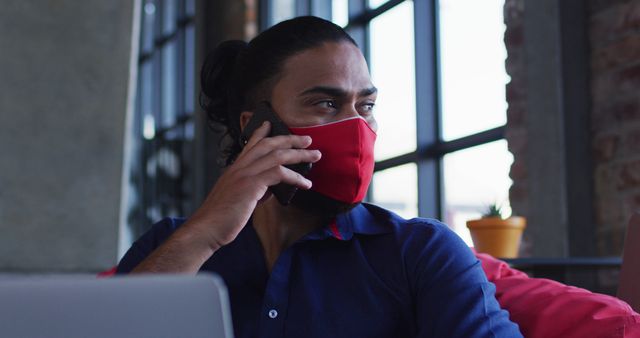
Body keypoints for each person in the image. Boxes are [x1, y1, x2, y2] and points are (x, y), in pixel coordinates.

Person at [117, 16, 522, 338]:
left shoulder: (421, 253)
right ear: (255, 126)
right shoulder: (170, 245)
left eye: (366, 105)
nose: (357, 126)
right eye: (326, 103)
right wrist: (204, 235)